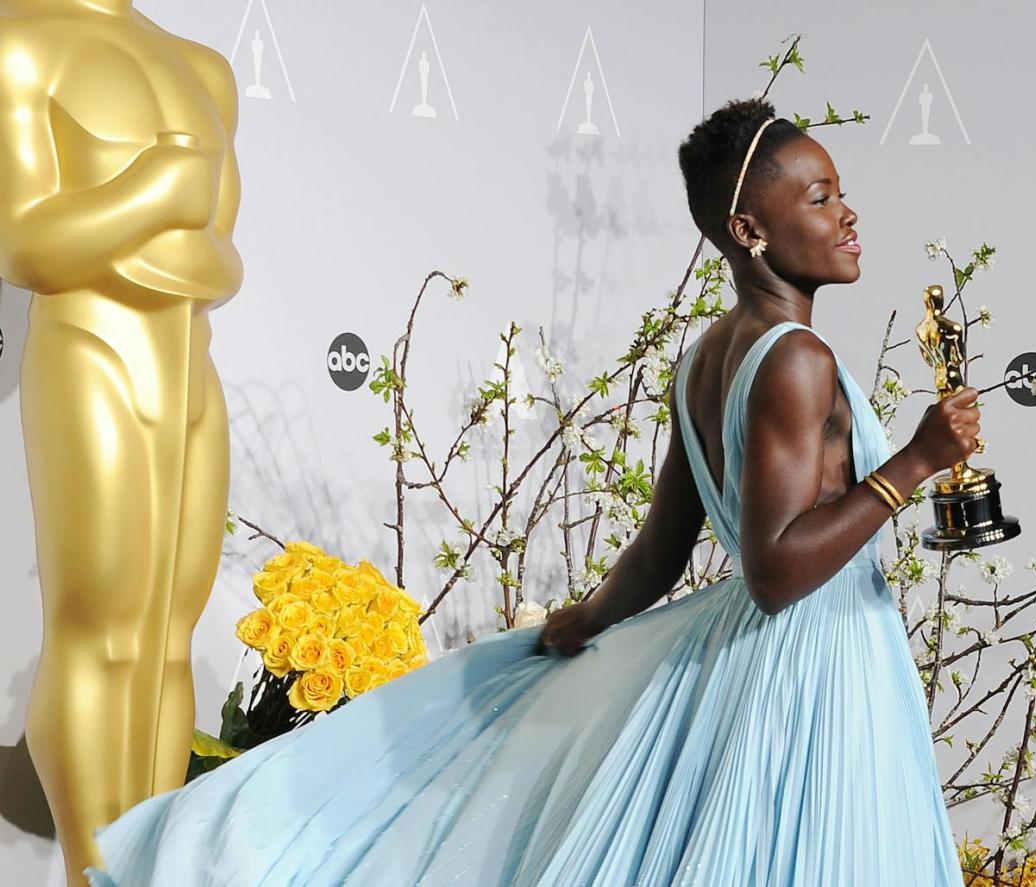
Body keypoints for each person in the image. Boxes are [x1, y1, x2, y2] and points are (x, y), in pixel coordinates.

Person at [83, 96, 979, 886]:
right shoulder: (798, 359)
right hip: (807, 673)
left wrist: (581, 622)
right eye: (818, 198)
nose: (846, 212)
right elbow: (777, 570)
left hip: (766, 668)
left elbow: (664, 550)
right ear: (749, 231)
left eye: (839, 190)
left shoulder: (708, 355)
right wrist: (917, 461)